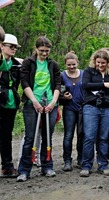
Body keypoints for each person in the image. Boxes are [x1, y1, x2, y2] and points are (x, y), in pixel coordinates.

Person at [17, 36, 61, 182]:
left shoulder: (53, 65)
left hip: (50, 103)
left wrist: (53, 102)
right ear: (36, 49)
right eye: (41, 50)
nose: (44, 53)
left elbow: (57, 85)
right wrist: (34, 101)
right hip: (32, 104)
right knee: (30, 137)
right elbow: (24, 82)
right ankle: (24, 170)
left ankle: (47, 166)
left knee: (47, 136)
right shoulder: (28, 63)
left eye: (47, 51)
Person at [80, 49, 109, 177]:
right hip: (91, 107)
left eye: (103, 63)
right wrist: (103, 85)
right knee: (89, 137)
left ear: (108, 62)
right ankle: (86, 165)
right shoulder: (88, 71)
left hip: (107, 107)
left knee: (104, 138)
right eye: (98, 62)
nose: (100, 65)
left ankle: (103, 165)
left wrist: (97, 86)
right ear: (94, 61)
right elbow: (85, 85)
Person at [0, 33, 21, 178]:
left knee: (6, 136)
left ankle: (7, 166)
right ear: (2, 46)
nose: (13, 49)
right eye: (11, 46)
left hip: (10, 103)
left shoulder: (15, 63)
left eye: (15, 47)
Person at [60, 51, 85, 171]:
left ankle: (80, 159)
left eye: (73, 64)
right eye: (69, 65)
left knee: (81, 135)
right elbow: (57, 91)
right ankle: (67, 161)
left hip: (82, 108)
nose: (71, 67)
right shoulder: (62, 75)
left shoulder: (84, 74)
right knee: (68, 135)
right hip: (69, 108)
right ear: (65, 64)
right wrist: (63, 96)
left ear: (77, 63)